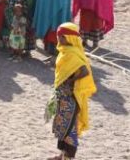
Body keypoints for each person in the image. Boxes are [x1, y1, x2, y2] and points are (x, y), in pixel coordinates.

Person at [49, 23, 97, 160]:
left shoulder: (72, 53)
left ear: (68, 37)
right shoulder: (65, 51)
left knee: (70, 128)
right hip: (63, 97)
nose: (59, 39)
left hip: (71, 97)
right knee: (63, 126)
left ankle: (69, 156)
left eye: (61, 37)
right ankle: (62, 155)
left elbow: (84, 71)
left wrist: (70, 81)